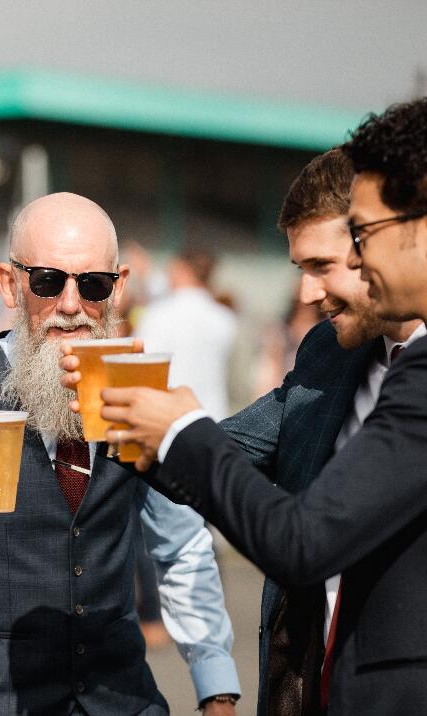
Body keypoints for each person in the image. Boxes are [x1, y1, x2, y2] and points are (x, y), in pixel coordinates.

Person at [98, 98, 427, 714]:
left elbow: (303, 537)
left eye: (329, 262)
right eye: (300, 267)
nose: (306, 292)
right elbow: (227, 451)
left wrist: (177, 428)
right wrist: (105, 422)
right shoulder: (330, 353)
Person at [0, 193, 240, 715]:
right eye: (48, 281)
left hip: (123, 699)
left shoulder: (138, 394)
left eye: (93, 284)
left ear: (118, 289)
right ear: (10, 283)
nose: (71, 306)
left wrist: (217, 687)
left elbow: (182, 545)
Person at [134, 249, 237, 421]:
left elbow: (140, 365)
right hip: (214, 418)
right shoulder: (225, 319)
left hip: (169, 421)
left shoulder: (156, 315)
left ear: (182, 269)